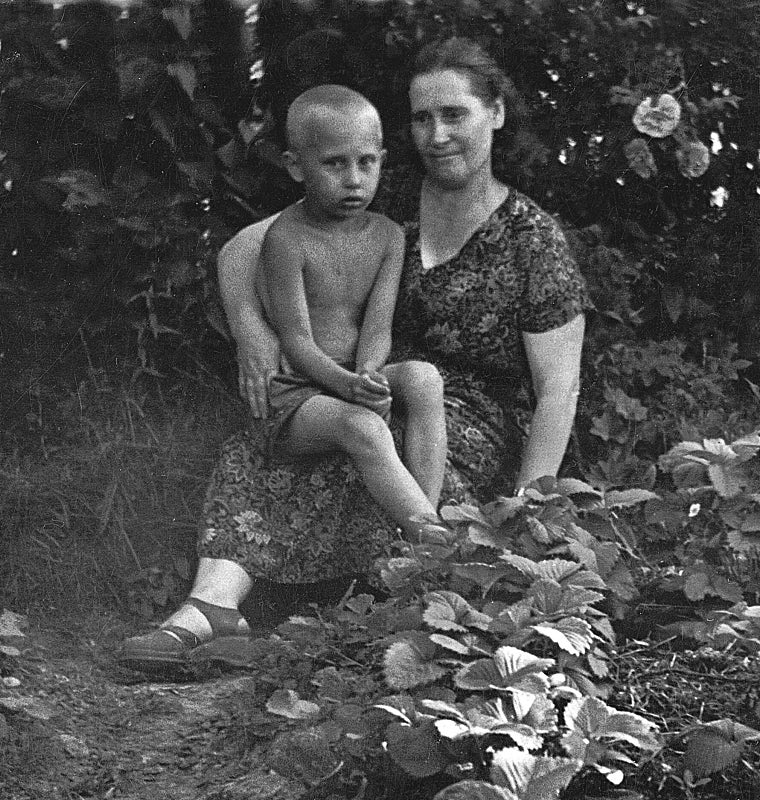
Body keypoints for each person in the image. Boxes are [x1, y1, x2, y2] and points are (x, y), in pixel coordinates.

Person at [118, 36, 592, 669]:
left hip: (464, 419)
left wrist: (529, 514)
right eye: (423, 118)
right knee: (263, 438)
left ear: (496, 114)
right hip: (354, 378)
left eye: (455, 115)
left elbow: (558, 392)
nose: (437, 134)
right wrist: (254, 333)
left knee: (364, 445)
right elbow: (242, 249)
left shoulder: (532, 238)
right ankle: (210, 608)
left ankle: (407, 596)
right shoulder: (373, 188)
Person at [256, 85, 445, 535]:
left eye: (367, 162)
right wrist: (349, 387)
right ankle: (437, 543)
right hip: (299, 392)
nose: (355, 179)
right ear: (296, 167)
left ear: (382, 158)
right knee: (366, 428)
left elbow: (377, 327)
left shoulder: (387, 236)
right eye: (335, 163)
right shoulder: (287, 238)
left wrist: (369, 374)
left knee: (424, 378)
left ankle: (424, 520)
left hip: (353, 373)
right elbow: (297, 342)